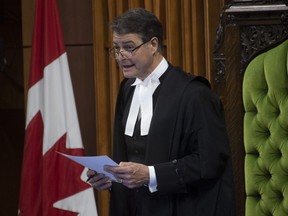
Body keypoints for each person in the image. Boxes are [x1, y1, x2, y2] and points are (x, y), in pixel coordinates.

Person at [87, 7, 235, 216]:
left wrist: (151, 175)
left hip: (177, 208)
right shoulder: (127, 89)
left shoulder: (194, 94)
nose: (121, 57)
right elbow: (128, 154)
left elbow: (209, 162)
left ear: (153, 44)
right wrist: (111, 177)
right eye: (116, 49)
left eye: (129, 47)